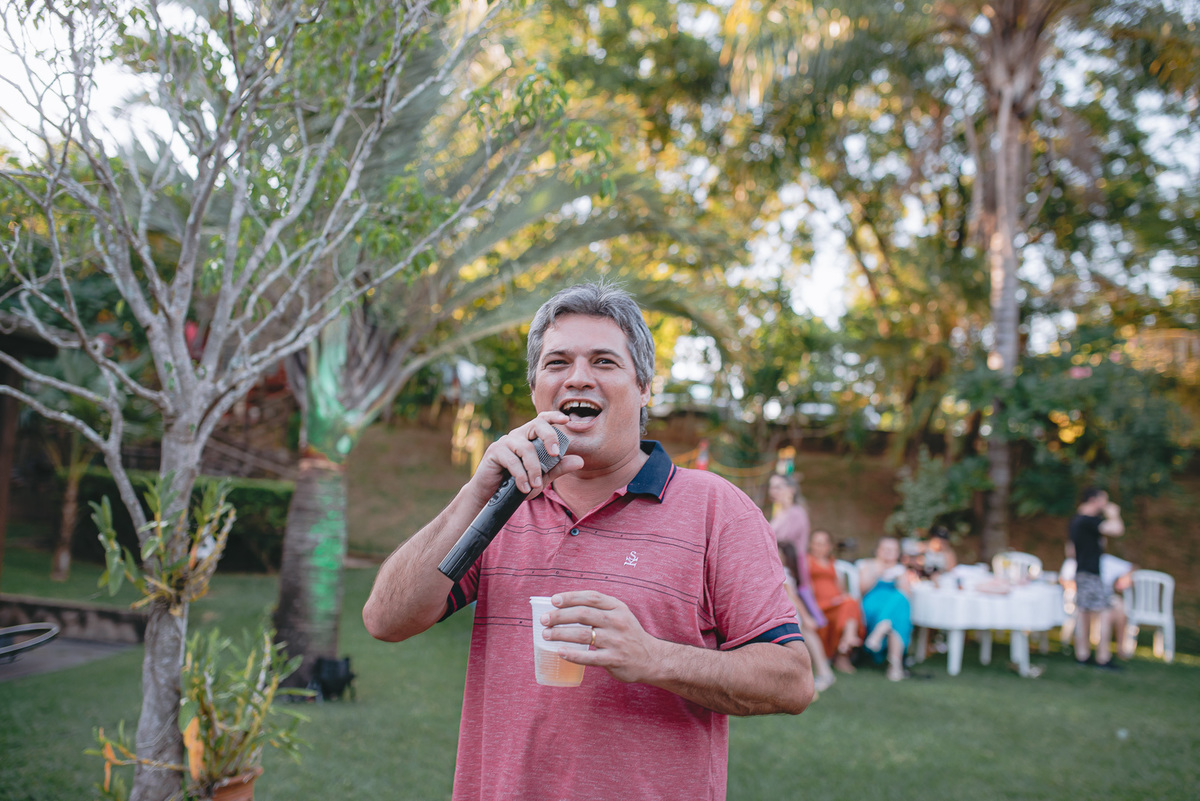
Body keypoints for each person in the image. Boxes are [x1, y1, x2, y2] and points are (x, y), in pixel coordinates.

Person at [362, 282, 813, 801]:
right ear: (536, 389)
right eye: (557, 363)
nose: (579, 377)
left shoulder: (716, 508)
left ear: (645, 388)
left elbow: (791, 680)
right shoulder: (503, 507)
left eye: (604, 361)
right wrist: (478, 490)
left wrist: (652, 656)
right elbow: (385, 620)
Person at [767, 473, 833, 690]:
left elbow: (780, 541)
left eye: (778, 486)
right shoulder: (780, 514)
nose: (773, 491)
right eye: (771, 487)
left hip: (794, 574)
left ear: (790, 489)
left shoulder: (796, 514)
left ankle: (823, 671)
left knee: (804, 621)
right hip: (778, 572)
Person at [1069, 487, 1125, 669]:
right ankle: (1103, 657)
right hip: (1091, 573)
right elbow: (1117, 530)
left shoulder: (1076, 520)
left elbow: (1069, 549)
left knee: (1084, 614)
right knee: (1103, 613)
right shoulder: (1088, 520)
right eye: (1104, 501)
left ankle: (1082, 655)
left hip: (1082, 571)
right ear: (1094, 500)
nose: (1106, 505)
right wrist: (1114, 514)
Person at [778, 540, 837, 692]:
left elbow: (793, 597)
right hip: (791, 613)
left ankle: (819, 675)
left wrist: (806, 617)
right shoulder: (786, 571)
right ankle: (823, 673)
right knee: (808, 639)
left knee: (802, 642)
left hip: (789, 613)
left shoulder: (782, 571)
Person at [807, 529, 864, 673]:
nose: (819, 547)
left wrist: (841, 598)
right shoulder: (807, 561)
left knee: (850, 602)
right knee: (850, 603)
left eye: (822, 544)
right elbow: (806, 588)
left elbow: (840, 587)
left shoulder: (833, 563)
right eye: (816, 543)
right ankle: (846, 645)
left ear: (829, 546)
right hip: (819, 606)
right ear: (811, 545)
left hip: (835, 605)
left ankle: (845, 644)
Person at [857, 537, 913, 681]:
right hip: (872, 603)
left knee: (900, 600)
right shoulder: (867, 564)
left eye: (893, 550)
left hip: (893, 604)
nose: (889, 553)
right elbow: (862, 590)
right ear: (878, 550)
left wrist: (900, 575)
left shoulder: (900, 569)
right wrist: (878, 572)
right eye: (886, 549)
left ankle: (881, 629)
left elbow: (907, 594)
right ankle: (895, 666)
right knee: (898, 611)